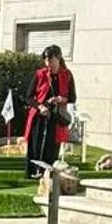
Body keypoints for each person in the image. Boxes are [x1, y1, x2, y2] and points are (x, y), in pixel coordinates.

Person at [22, 44, 76, 179]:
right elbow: (28, 97)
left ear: (58, 59)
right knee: (35, 146)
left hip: (56, 117)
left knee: (52, 148)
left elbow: (72, 97)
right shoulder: (40, 74)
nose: (48, 64)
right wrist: (40, 106)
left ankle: (49, 175)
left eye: (51, 60)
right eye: (46, 60)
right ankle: (33, 172)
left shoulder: (67, 75)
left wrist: (61, 99)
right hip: (39, 116)